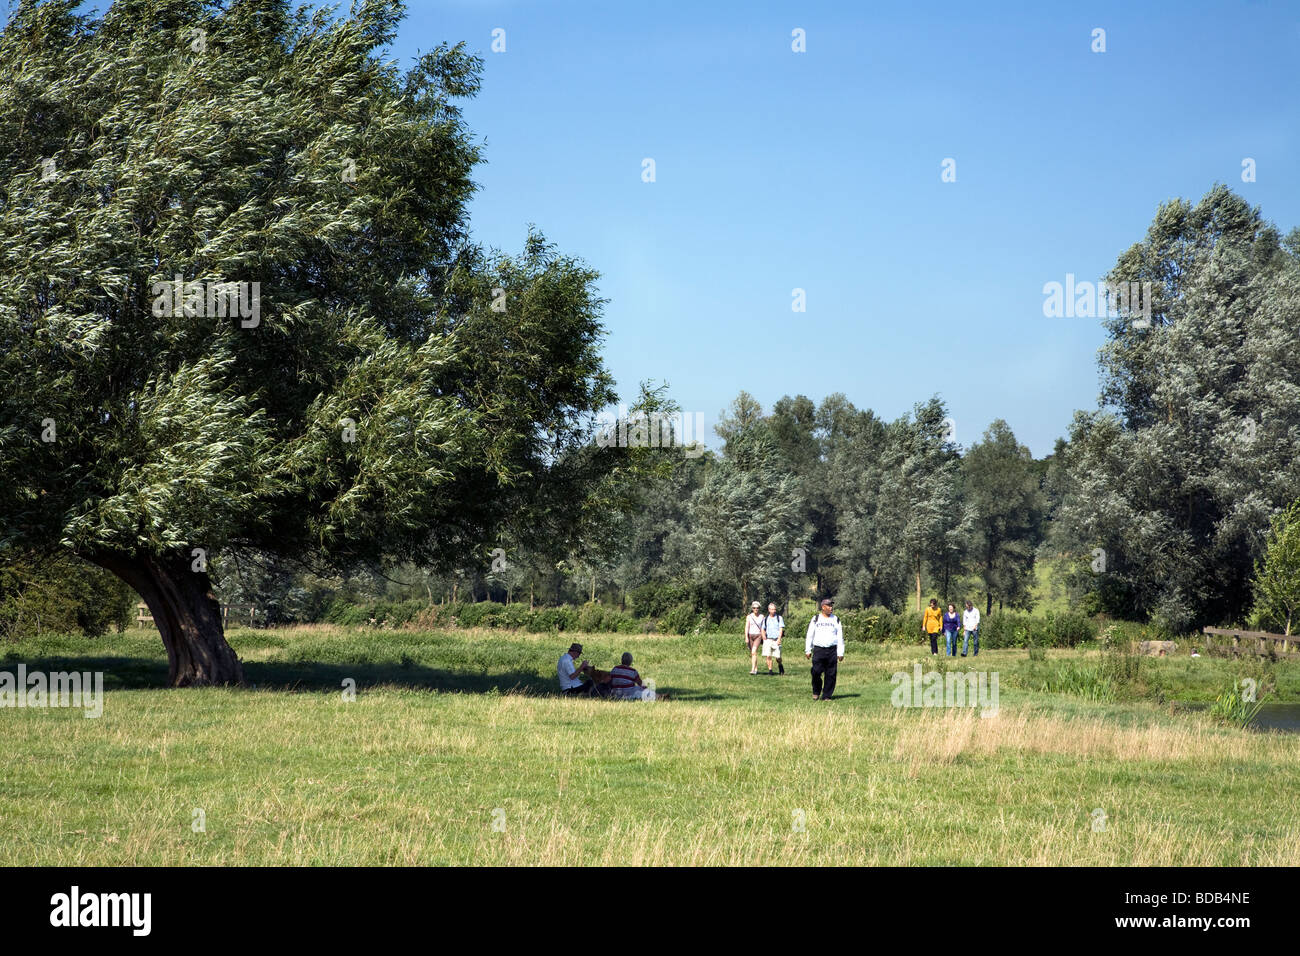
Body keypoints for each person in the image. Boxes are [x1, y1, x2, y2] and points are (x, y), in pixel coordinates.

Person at [804, 597, 845, 701]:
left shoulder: (836, 619)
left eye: (832, 606)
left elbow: (840, 637)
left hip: (832, 650)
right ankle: (816, 691)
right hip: (818, 650)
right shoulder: (816, 619)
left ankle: (827, 695)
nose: (831, 608)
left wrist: (840, 652)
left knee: (831, 673)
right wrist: (808, 650)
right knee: (816, 672)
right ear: (823, 607)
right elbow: (810, 634)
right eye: (829, 606)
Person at [761, 602, 785, 675]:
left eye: (774, 609)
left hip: (776, 640)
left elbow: (781, 629)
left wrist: (779, 639)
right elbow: (763, 628)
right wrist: (763, 636)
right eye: (772, 609)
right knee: (768, 655)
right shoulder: (766, 619)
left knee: (778, 657)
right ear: (769, 610)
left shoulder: (779, 618)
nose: (773, 611)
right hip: (768, 639)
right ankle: (770, 671)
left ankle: (780, 665)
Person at [744, 601, 765, 675]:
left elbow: (763, 627)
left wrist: (763, 637)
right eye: (754, 608)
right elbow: (747, 627)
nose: (756, 609)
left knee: (753, 652)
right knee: (753, 653)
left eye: (757, 608)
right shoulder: (749, 617)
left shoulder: (762, 616)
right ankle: (756, 669)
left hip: (758, 636)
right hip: (750, 636)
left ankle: (752, 669)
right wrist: (746, 637)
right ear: (752, 608)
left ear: (759, 608)